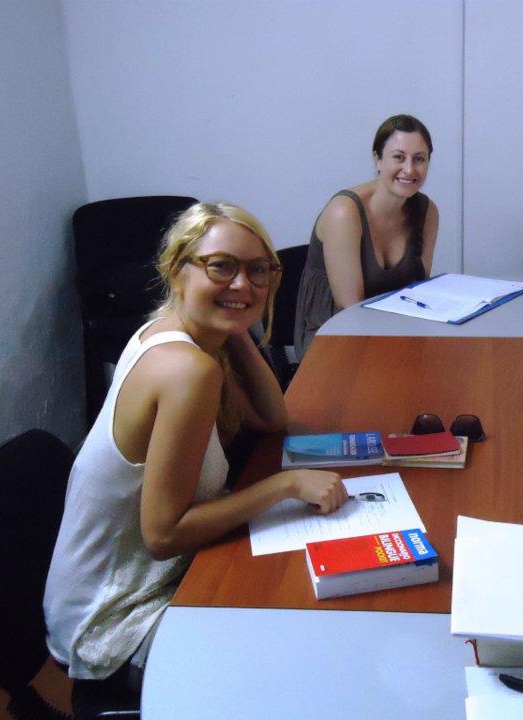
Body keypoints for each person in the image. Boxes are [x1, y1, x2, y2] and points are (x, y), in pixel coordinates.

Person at [44, 202, 348, 704]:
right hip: (116, 615)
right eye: (221, 266)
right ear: (176, 268)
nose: (243, 284)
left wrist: (234, 323)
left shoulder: (180, 332)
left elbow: (273, 417)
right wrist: (284, 485)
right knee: (303, 669)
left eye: (259, 271)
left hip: (146, 578)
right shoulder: (185, 369)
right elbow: (163, 536)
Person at [294, 114, 439, 358]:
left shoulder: (427, 212)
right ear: (377, 158)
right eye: (398, 157)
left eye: (419, 159)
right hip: (333, 334)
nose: (409, 169)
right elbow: (350, 310)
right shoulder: (345, 212)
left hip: (393, 333)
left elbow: (416, 292)